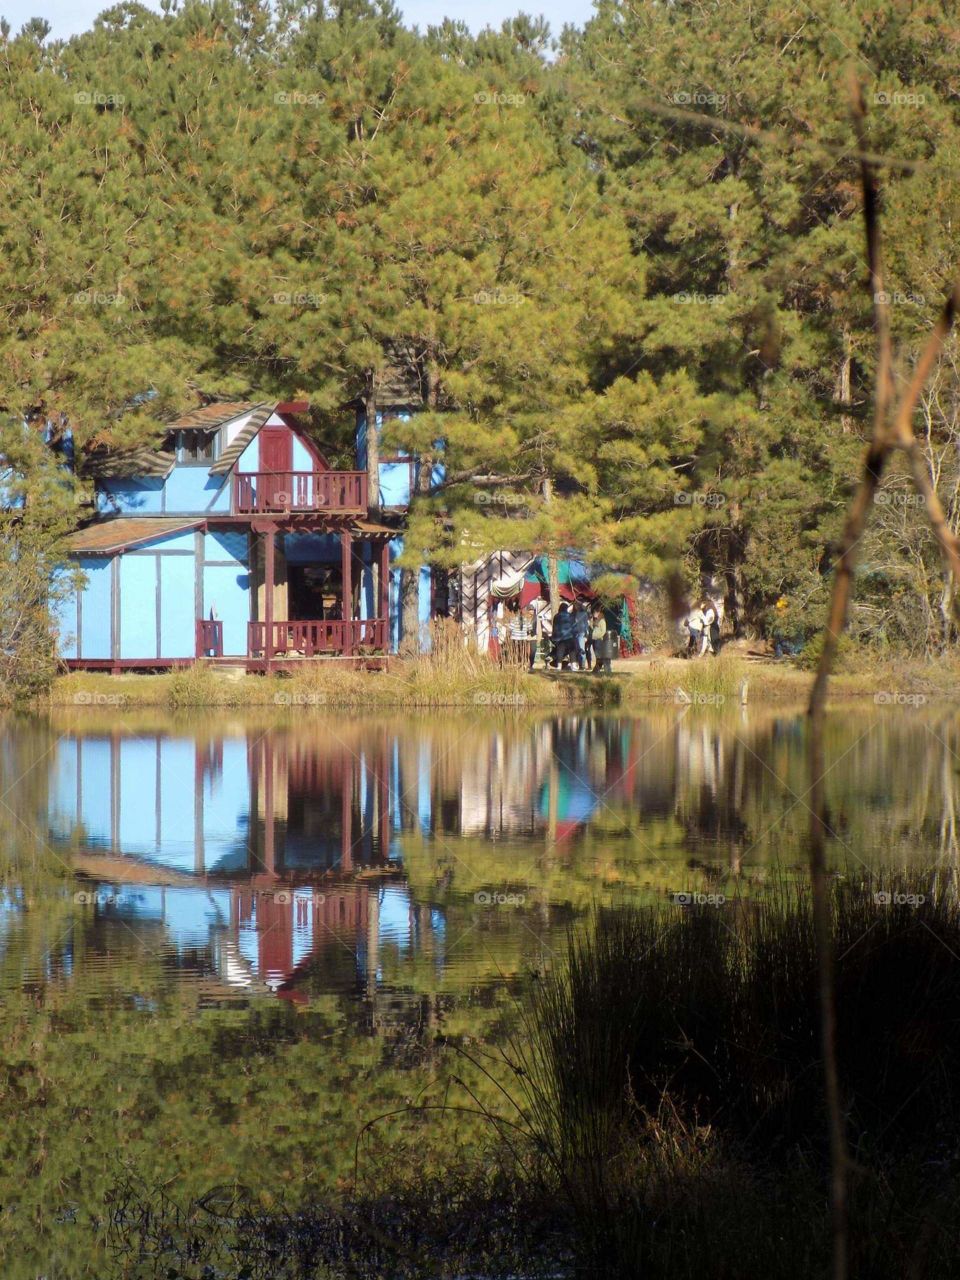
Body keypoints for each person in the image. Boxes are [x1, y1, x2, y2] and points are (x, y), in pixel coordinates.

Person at [550, 602, 576, 669]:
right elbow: (573, 626)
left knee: (560, 651)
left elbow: (554, 626)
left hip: (560, 637)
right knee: (572, 651)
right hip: (569, 636)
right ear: (566, 608)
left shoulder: (556, 616)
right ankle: (573, 665)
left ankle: (559, 665)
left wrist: (554, 636)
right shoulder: (570, 615)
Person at [590, 604, 612, 675]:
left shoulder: (602, 621)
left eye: (594, 612)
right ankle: (597, 669)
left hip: (599, 640)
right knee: (598, 656)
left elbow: (603, 631)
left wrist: (597, 636)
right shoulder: (595, 621)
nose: (593, 614)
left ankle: (602, 669)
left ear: (598, 613)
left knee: (600, 656)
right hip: (595, 639)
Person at [572, 600, 590, 671]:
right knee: (576, 650)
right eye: (575, 605)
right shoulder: (574, 614)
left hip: (581, 633)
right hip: (575, 633)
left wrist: (586, 635)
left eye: (577, 605)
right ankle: (577, 664)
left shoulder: (584, 614)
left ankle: (582, 665)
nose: (576, 607)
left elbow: (586, 625)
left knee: (581, 650)